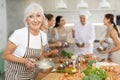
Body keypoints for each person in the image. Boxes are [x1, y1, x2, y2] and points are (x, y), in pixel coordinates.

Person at [2, 3, 48, 80]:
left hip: (31, 75)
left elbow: (41, 55)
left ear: (42, 18)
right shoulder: (18, 33)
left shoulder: (43, 36)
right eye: (31, 16)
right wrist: (24, 61)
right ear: (26, 19)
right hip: (14, 76)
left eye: (38, 16)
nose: (35, 20)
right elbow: (5, 55)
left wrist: (45, 64)